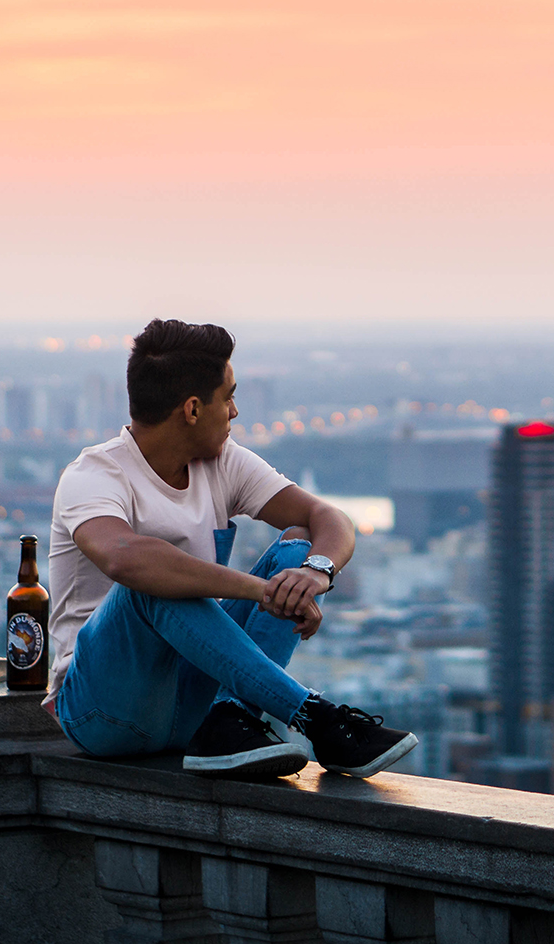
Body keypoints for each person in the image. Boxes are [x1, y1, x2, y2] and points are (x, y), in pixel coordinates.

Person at [45, 318, 417, 779]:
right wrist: (261, 591)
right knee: (149, 580)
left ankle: (229, 718)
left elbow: (328, 518)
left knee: (297, 547)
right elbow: (123, 558)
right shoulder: (94, 476)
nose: (235, 412)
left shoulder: (222, 463)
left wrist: (316, 571)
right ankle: (313, 717)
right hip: (104, 712)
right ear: (193, 409)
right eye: (228, 397)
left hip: (194, 704)